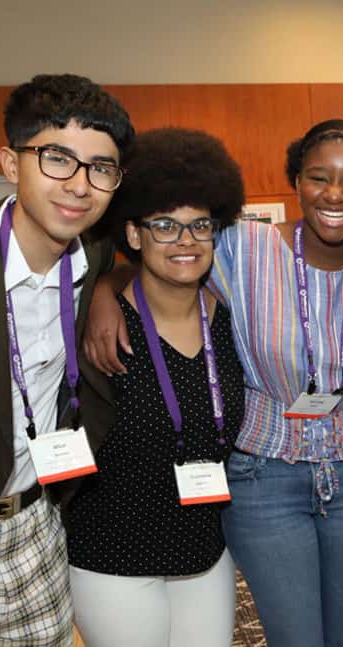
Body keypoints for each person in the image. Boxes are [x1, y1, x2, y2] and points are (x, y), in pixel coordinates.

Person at [83, 118, 343, 646]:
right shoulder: (242, 246)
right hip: (265, 481)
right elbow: (167, 251)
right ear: (296, 182)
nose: (335, 193)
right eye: (318, 176)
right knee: (296, 637)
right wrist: (109, 283)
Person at [0, 74, 133, 645]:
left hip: (40, 534)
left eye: (101, 168)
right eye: (57, 158)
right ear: (11, 163)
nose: (79, 185)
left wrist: (106, 290)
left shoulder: (92, 257)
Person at [61, 128, 246, 647]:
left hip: (203, 555)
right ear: (134, 235)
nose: (185, 241)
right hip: (113, 559)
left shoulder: (231, 321)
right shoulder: (97, 326)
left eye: (199, 226)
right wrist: (104, 287)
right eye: (165, 225)